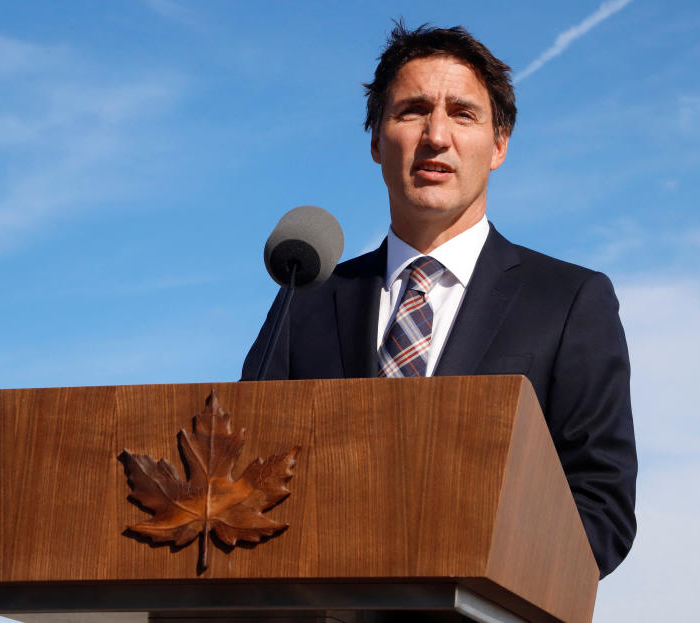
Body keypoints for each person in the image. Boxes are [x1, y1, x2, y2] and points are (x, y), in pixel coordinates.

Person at [242, 22, 636, 578]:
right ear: (376, 141)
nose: (436, 135)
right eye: (412, 110)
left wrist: (483, 572)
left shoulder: (570, 302)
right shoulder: (305, 298)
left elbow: (601, 505)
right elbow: (242, 469)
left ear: (499, 144)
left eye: (463, 113)